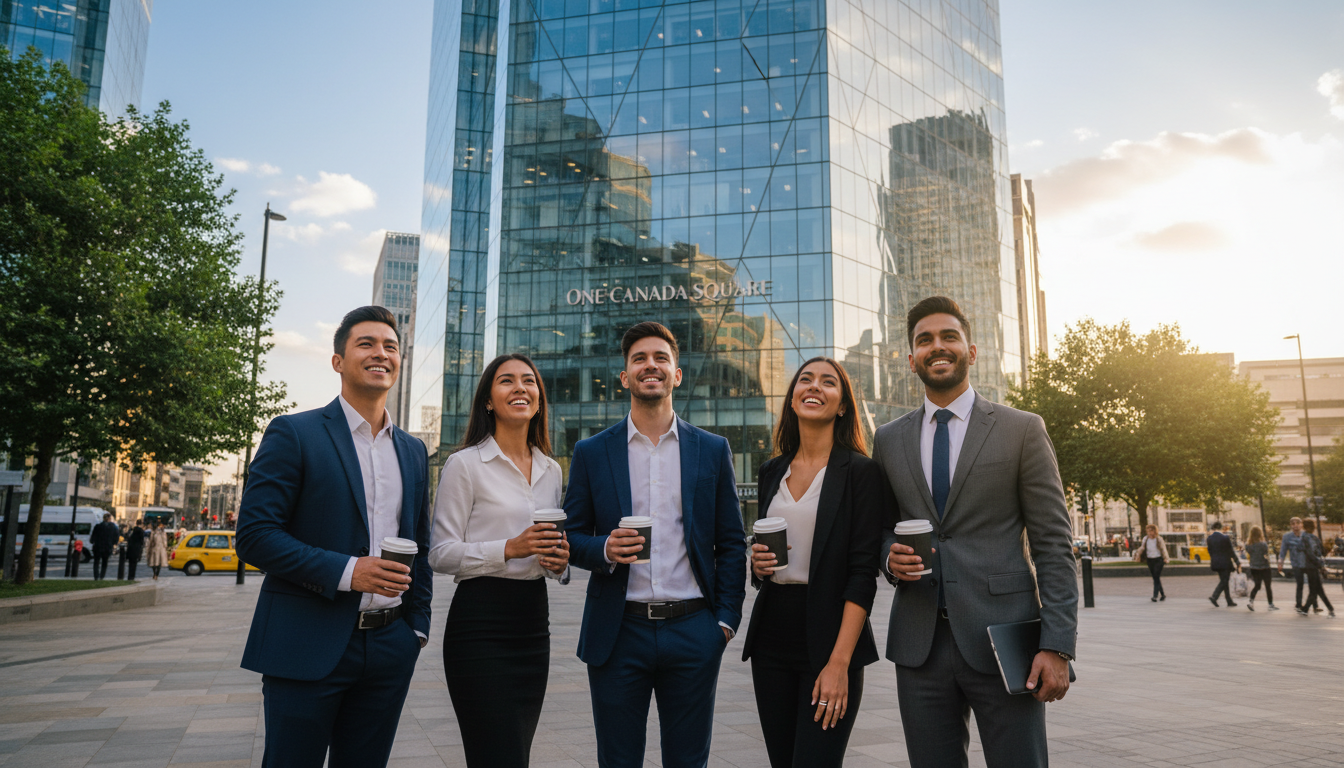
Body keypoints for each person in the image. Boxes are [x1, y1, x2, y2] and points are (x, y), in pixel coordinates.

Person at [877, 296, 1078, 768]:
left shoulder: (1022, 429)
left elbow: (1053, 544)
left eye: (949, 336)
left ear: (972, 351)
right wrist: (889, 556)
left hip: (1005, 641)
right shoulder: (888, 440)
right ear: (911, 360)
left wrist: (1057, 644)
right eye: (924, 340)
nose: (937, 347)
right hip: (919, 645)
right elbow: (879, 528)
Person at [235, 306, 433, 768]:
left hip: (390, 647)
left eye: (390, 346)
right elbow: (255, 535)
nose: (380, 353)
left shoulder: (413, 450)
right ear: (338, 361)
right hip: (306, 642)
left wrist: (415, 628)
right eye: (366, 344)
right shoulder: (294, 433)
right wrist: (349, 571)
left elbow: (418, 544)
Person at [564, 321, 747, 768]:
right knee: (618, 759)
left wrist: (723, 621)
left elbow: (731, 541)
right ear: (624, 377)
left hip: (694, 630)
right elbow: (569, 536)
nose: (651, 365)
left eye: (661, 358)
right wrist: (604, 549)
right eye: (639, 359)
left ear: (677, 374)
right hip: (618, 630)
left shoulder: (712, 449)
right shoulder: (592, 452)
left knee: (688, 761)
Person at [429, 353, 570, 767]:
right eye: (506, 381)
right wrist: (508, 548)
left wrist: (557, 563)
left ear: (539, 400)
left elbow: (545, 555)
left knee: (517, 753)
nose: (520, 388)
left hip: (532, 622)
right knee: (496, 753)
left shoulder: (551, 470)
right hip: (479, 623)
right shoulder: (465, 464)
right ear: (489, 400)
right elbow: (440, 553)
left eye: (529, 382)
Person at [742, 357, 884, 767]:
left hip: (830, 636)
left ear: (842, 405)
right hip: (772, 636)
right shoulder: (772, 471)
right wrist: (758, 564)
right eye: (805, 380)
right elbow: (767, 560)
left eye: (828, 382)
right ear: (792, 399)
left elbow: (863, 575)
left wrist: (839, 663)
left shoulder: (861, 472)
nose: (814, 387)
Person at [1301, 519, 1336, 618]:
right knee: (1317, 589)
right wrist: (1320, 564)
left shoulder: (1305, 538)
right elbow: (1317, 552)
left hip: (1309, 566)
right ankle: (1330, 608)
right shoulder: (1311, 538)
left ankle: (1306, 609)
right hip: (1313, 566)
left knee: (1316, 589)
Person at [1277, 516, 1308, 611]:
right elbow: (1283, 550)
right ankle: (1298, 604)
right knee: (1300, 584)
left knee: (1313, 583)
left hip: (1307, 563)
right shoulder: (1287, 537)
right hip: (1296, 563)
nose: (1295, 526)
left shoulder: (1306, 535)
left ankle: (1313, 604)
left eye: (1297, 523)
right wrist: (1280, 561)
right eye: (1293, 524)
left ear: (1301, 524)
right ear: (1291, 526)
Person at [1206, 522, 1240, 607]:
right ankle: (1214, 596)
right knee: (1224, 581)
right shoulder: (1225, 538)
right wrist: (1237, 561)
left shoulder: (1209, 538)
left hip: (1215, 563)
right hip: (1225, 563)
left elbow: (1210, 551)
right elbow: (1230, 551)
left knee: (1224, 580)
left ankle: (1229, 600)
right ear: (1221, 528)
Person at [1244, 525, 1276, 611]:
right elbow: (1266, 554)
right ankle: (1270, 604)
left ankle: (1251, 602)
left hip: (1254, 568)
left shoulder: (1248, 545)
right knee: (1268, 586)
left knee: (1257, 586)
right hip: (1264, 567)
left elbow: (1249, 553)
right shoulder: (1263, 544)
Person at [1134, 524, 1168, 602]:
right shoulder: (1145, 539)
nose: (1149, 533)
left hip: (1158, 560)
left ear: (1154, 531)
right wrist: (1138, 555)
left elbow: (1163, 549)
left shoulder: (1159, 539)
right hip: (1150, 560)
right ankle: (1162, 595)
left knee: (1156, 577)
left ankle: (1155, 596)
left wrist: (1166, 558)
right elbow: (1142, 547)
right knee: (1156, 578)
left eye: (1151, 531)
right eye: (1148, 531)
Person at [89, 513, 119, 580]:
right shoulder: (113, 527)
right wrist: (113, 543)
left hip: (97, 547)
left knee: (96, 562)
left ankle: (96, 576)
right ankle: (102, 576)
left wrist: (93, 541)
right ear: (109, 518)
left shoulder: (98, 526)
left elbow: (93, 537)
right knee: (104, 563)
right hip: (107, 547)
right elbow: (116, 538)